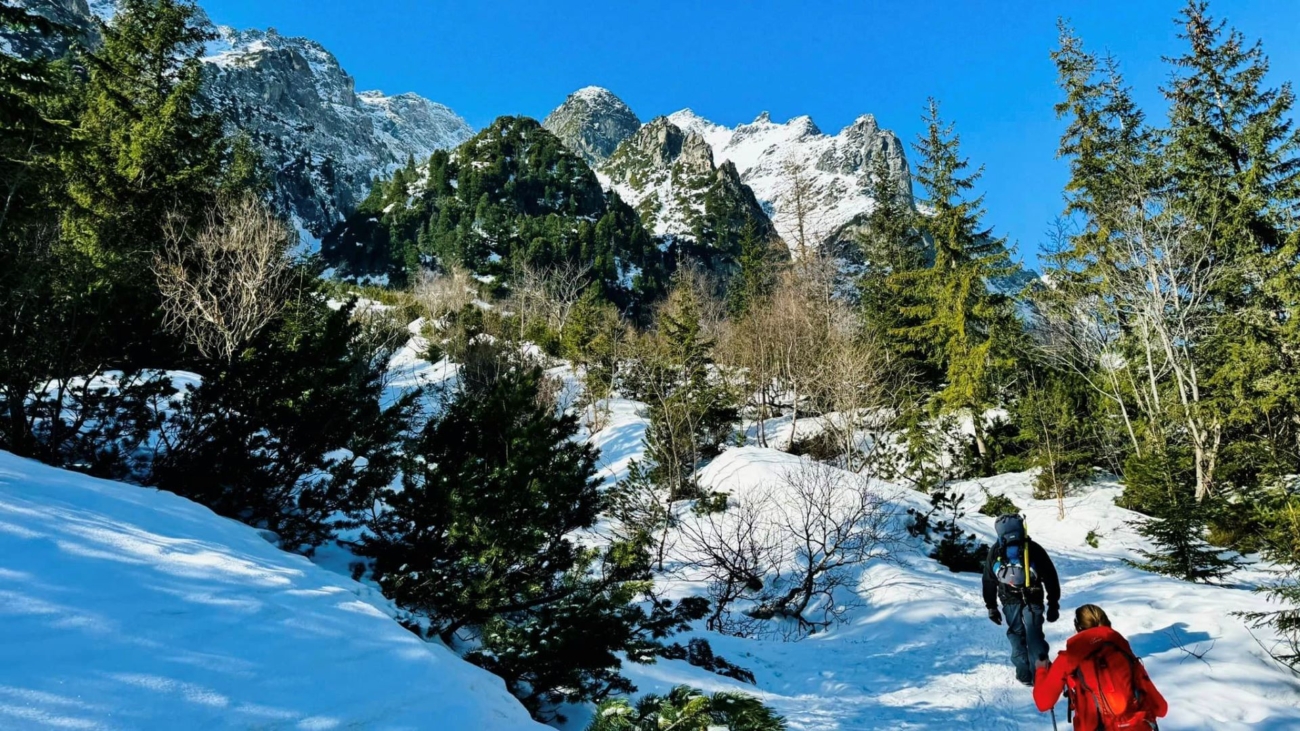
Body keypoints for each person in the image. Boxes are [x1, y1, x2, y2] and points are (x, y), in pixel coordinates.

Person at [1033, 604, 1167, 730]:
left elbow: (1043, 702)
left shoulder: (1068, 659)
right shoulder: (1124, 653)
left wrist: (1041, 670)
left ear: (1078, 628)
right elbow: (1161, 708)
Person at [983, 513, 1060, 685]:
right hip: (1033, 596)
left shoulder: (996, 550)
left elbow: (988, 580)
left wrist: (991, 606)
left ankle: (1024, 674)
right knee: (1034, 634)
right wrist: (1053, 603)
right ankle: (1042, 672)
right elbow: (1050, 576)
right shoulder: (1033, 548)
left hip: (1008, 598)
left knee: (1016, 633)